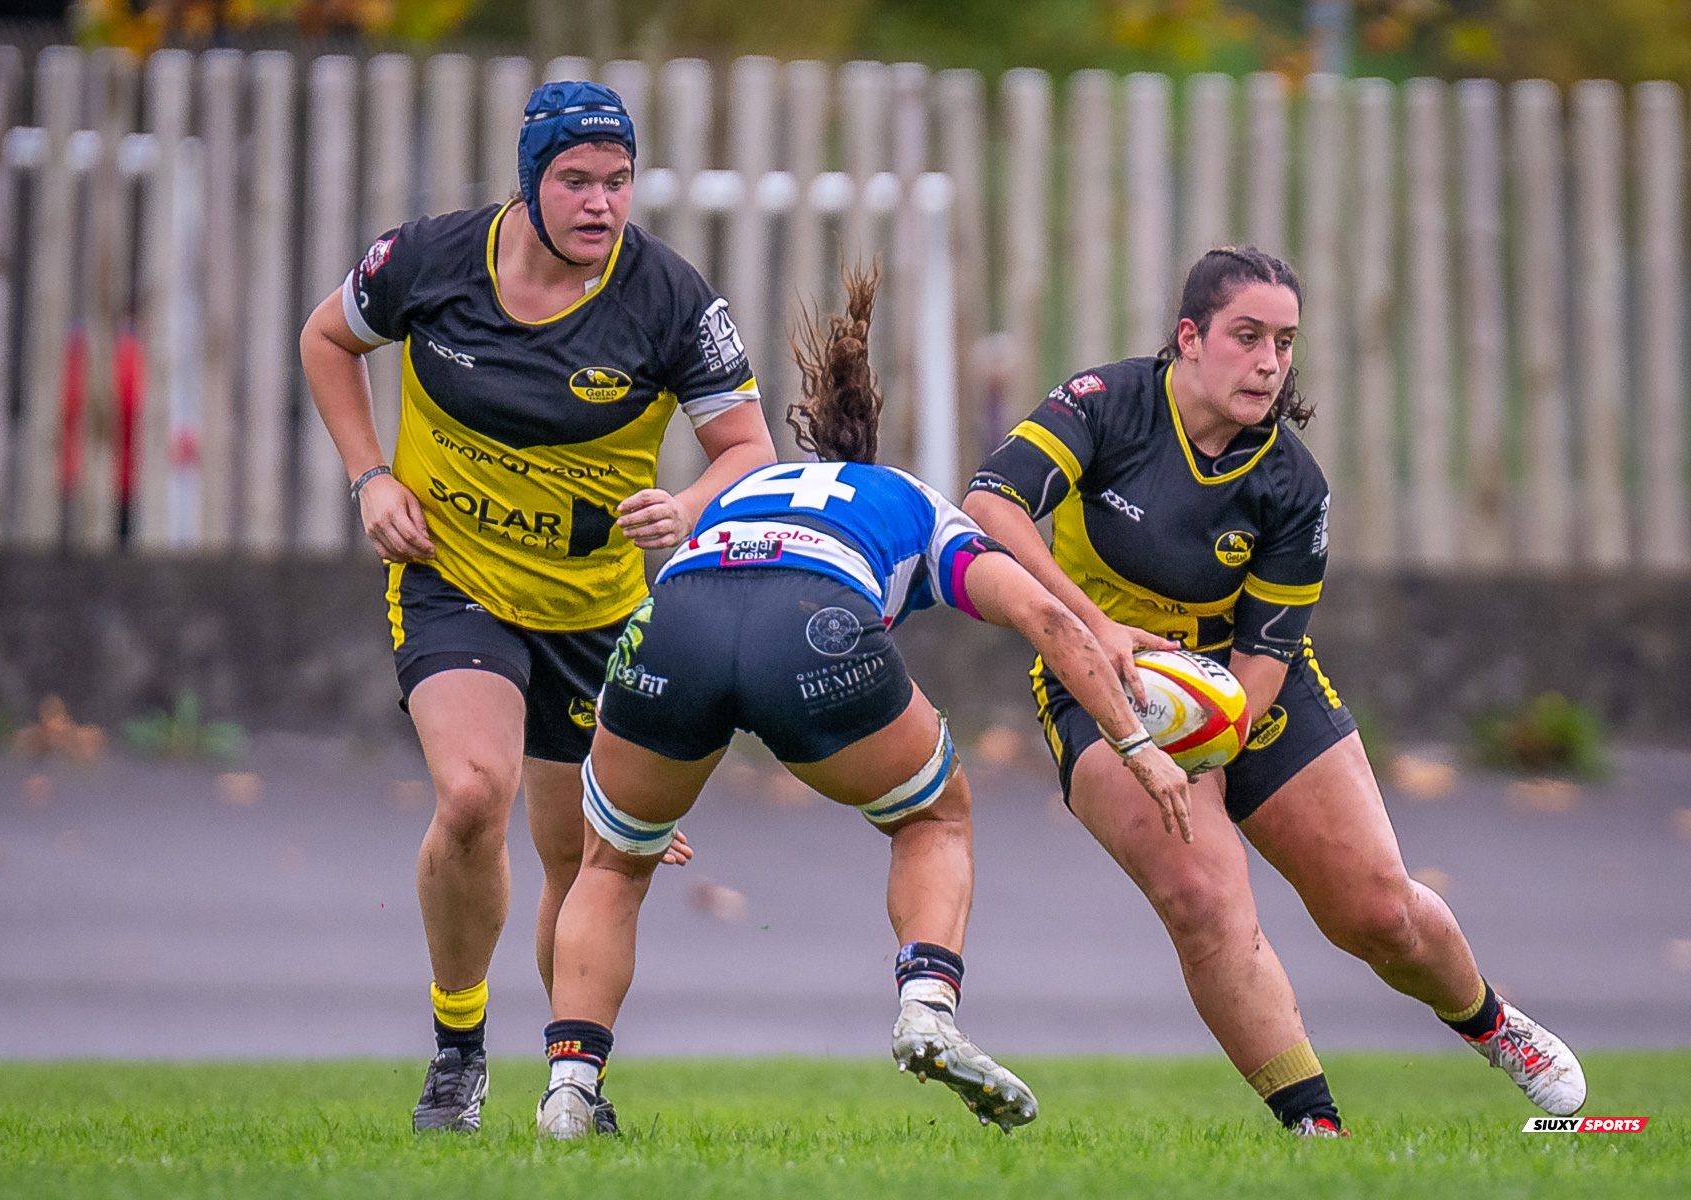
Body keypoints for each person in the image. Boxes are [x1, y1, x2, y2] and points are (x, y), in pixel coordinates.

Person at [533, 268, 1194, 1139]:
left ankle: (570, 1093)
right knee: (935, 818)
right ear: (872, 450)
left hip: (674, 630)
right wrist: (1136, 745)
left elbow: (682, 620)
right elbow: (1042, 611)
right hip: (812, 629)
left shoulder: (735, 493)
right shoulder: (914, 502)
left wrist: (636, 779)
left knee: (612, 861)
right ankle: (927, 1006)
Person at [962, 246, 1586, 1136]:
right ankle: (1315, 1130)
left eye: (1284, 343)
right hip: (1096, 683)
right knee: (1204, 900)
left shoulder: (1292, 486)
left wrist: (1206, 740)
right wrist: (1092, 635)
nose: (1269, 362)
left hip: (1244, 686)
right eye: (1247, 336)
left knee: (1378, 911)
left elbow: (1263, 660)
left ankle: (1494, 1025)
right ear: (1190, 338)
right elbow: (989, 503)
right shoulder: (1106, 405)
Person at [299, 80, 777, 1133]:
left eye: (618, 181)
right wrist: (370, 476)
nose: (601, 203)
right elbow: (326, 341)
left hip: (597, 616)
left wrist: (688, 503)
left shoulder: (669, 298)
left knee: (585, 857)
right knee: (473, 794)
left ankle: (573, 1082)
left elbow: (748, 447)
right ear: (530, 179)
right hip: (452, 581)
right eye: (576, 180)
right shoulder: (426, 260)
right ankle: (458, 1052)